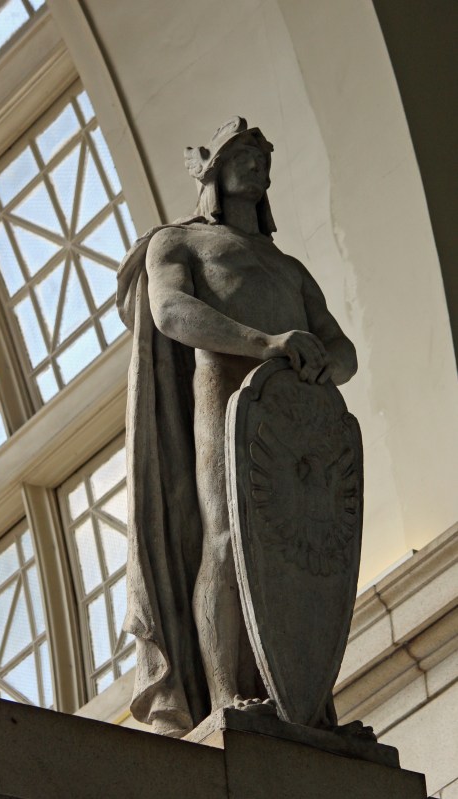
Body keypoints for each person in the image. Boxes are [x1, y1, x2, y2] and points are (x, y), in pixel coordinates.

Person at [116, 117, 357, 738]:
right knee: (225, 537)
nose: (255, 161)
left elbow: (343, 349)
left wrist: (323, 363)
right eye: (241, 153)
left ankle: (304, 700)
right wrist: (264, 343)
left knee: (298, 547)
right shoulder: (179, 242)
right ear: (212, 174)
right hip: (222, 394)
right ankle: (224, 694)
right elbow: (171, 310)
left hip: (296, 416)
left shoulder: (290, 268)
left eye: (262, 154)